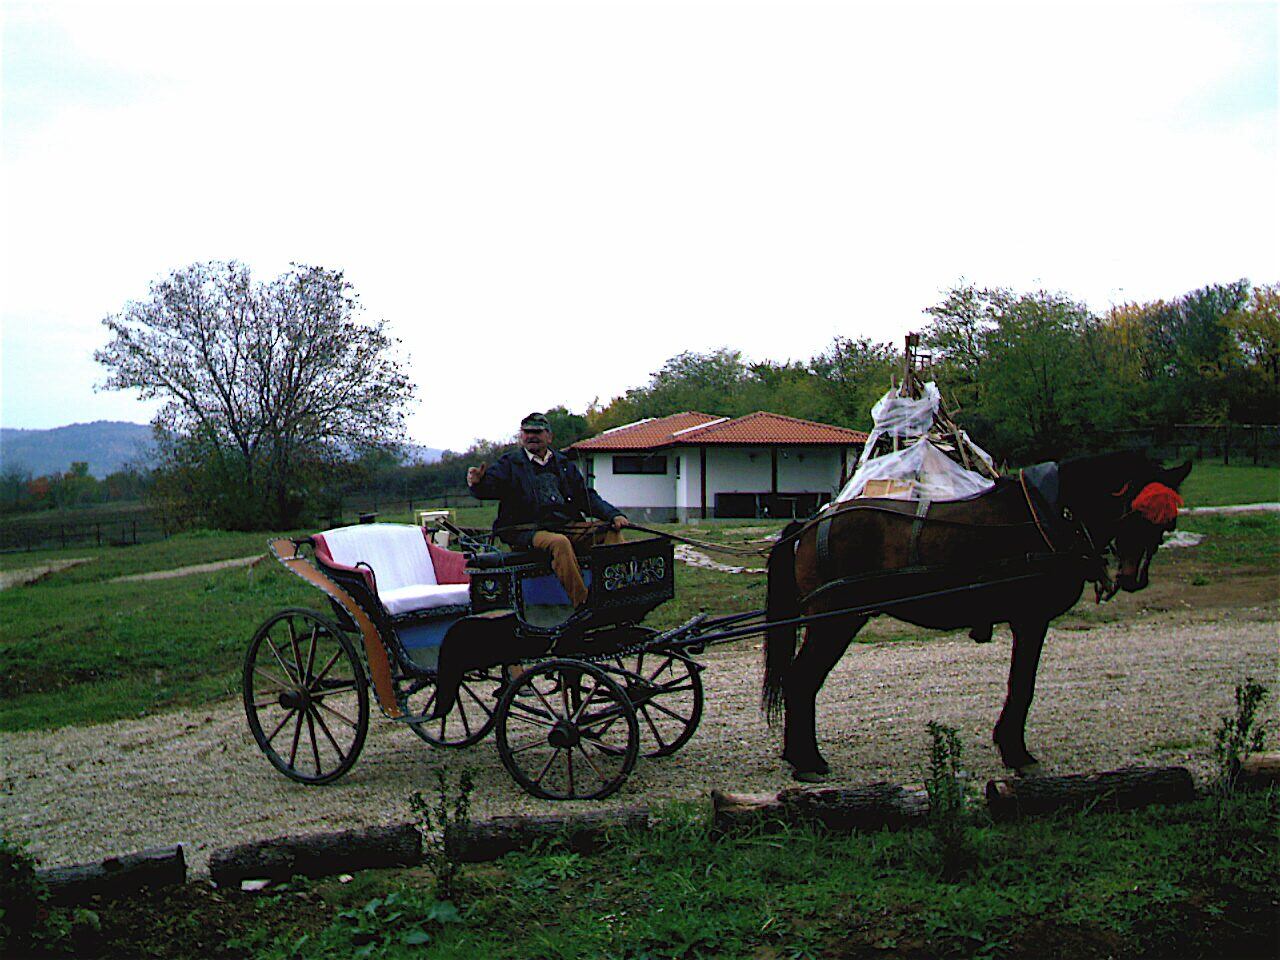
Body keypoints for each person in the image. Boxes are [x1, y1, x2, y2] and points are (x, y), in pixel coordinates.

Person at [467, 412, 630, 608]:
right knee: (559, 543)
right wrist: (478, 484)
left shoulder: (563, 464)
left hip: (565, 525)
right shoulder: (509, 464)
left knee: (610, 532)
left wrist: (613, 515)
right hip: (526, 531)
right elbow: (489, 488)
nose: (531, 436)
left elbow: (585, 496)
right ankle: (583, 604)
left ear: (549, 436)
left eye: (537, 432)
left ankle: (616, 594)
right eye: (527, 432)